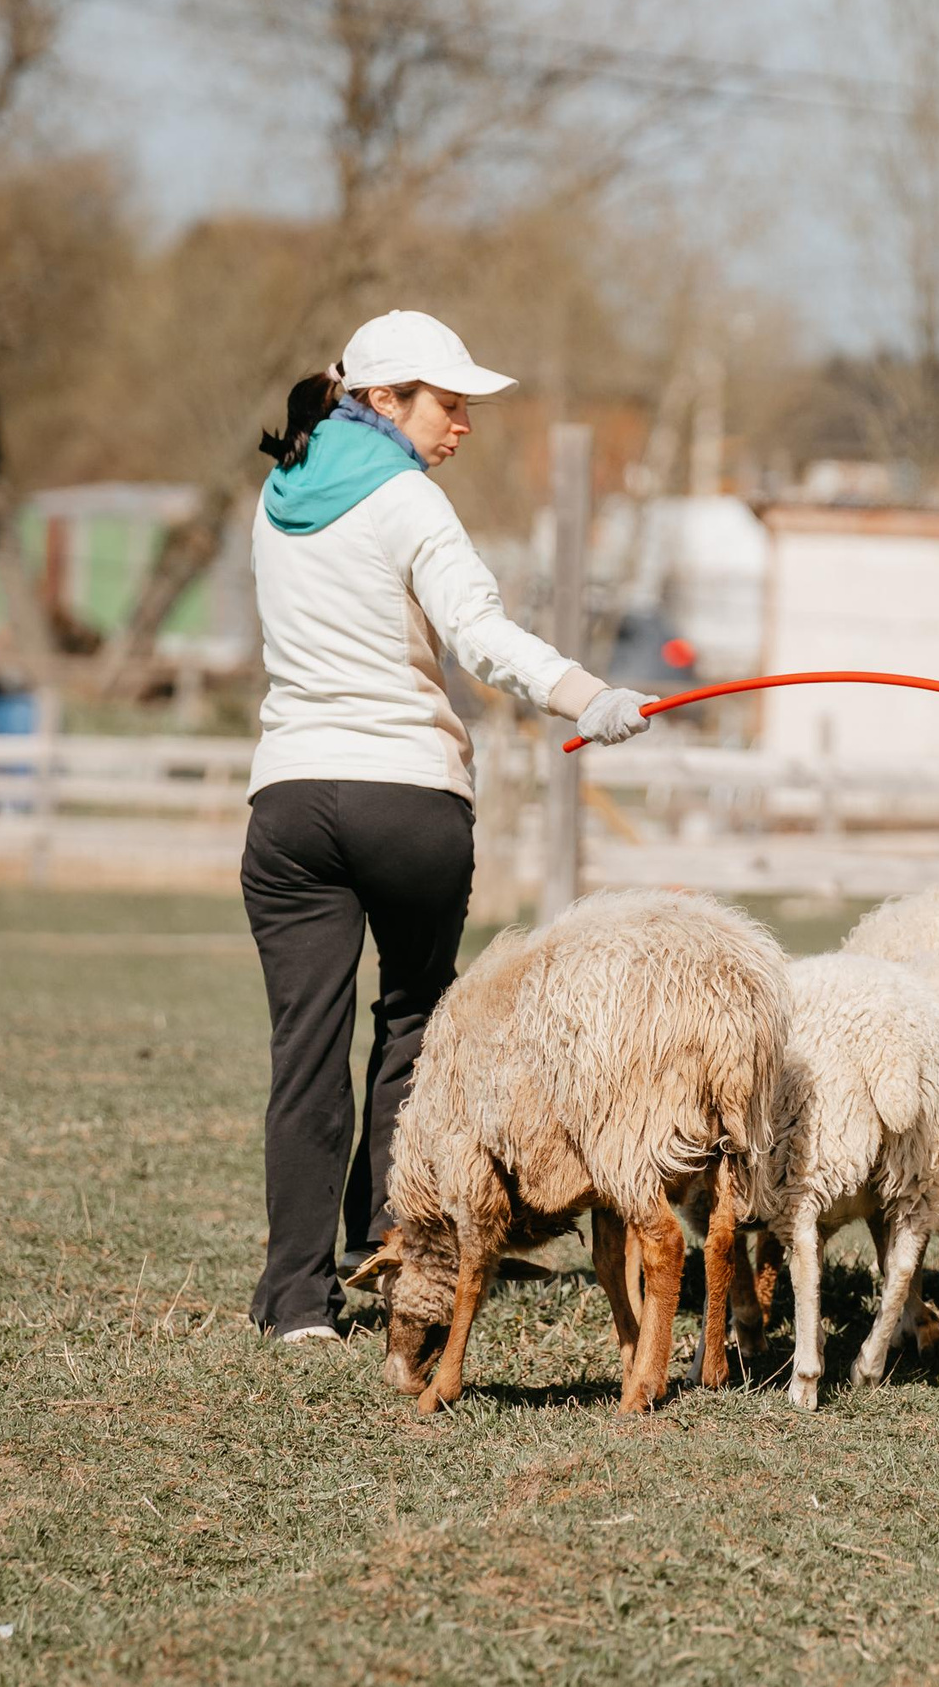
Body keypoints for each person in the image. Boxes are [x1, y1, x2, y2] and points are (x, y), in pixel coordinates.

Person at [240, 309, 651, 1343]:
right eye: (448, 403)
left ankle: (296, 1301)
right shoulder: (409, 500)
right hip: (405, 799)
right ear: (383, 400)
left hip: (287, 803)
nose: (462, 423)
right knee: (412, 1028)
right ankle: (398, 1256)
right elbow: (479, 634)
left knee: (305, 1049)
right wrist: (585, 694)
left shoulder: (278, 489)